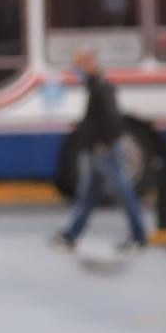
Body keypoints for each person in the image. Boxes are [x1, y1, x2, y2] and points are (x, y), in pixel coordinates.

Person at [53, 48, 147, 252]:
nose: (76, 69)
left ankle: (139, 236)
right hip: (95, 149)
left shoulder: (102, 87)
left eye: (78, 64)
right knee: (88, 195)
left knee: (123, 192)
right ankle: (71, 235)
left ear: (89, 63)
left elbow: (113, 120)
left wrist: (103, 143)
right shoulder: (95, 85)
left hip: (103, 150)